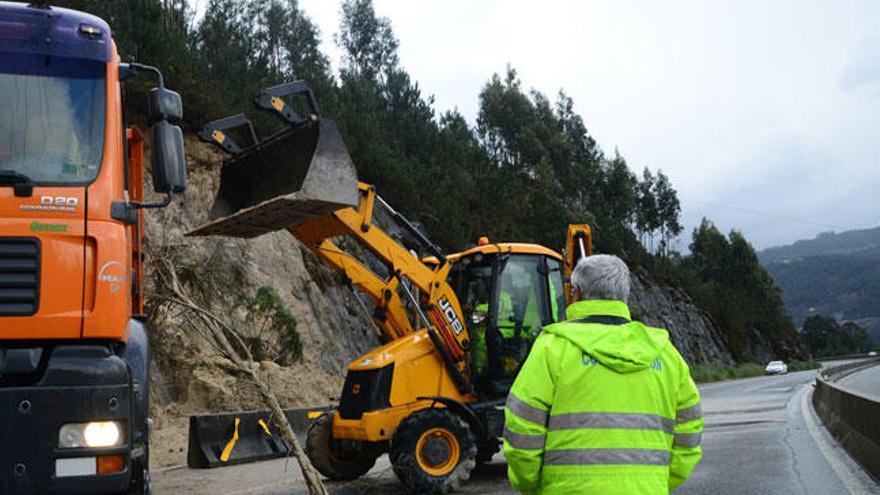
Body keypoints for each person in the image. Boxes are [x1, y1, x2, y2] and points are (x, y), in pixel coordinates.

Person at [503, 254, 702, 494]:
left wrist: (531, 484)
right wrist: (658, 482)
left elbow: (523, 427)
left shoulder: (552, 348)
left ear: (575, 292)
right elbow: (689, 430)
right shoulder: (666, 354)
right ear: (624, 295)